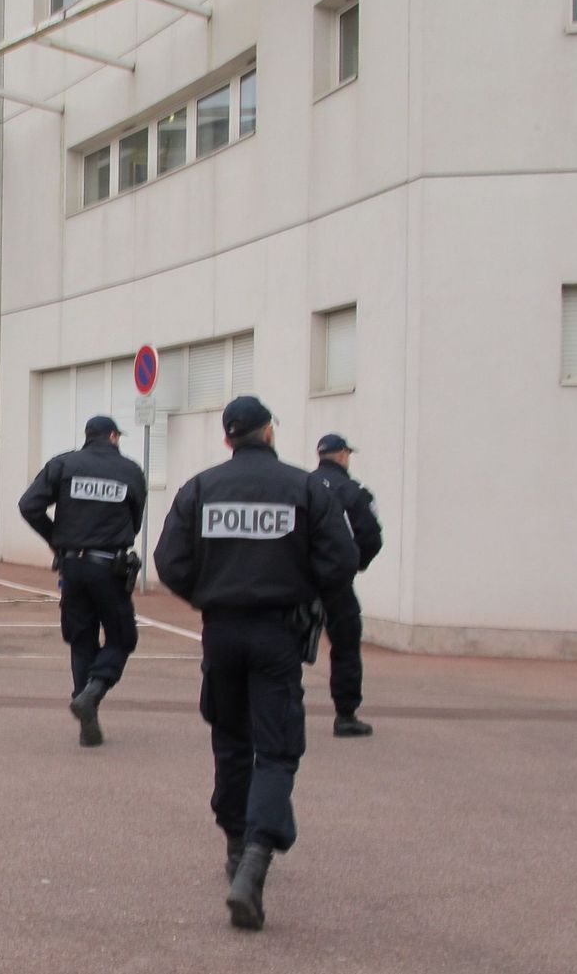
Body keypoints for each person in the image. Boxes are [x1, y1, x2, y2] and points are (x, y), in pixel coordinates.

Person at [154, 396, 359, 932]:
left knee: (229, 737)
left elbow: (168, 562)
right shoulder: (307, 487)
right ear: (269, 432)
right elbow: (342, 559)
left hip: (221, 632)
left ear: (227, 439)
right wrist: (303, 591)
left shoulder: (200, 488)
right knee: (276, 747)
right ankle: (255, 861)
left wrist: (209, 596)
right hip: (277, 633)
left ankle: (235, 843)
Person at [18, 415, 147, 748]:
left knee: (81, 640)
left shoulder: (64, 464)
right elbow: (134, 526)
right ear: (114, 437)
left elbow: (29, 505)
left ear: (88, 437)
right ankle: (94, 691)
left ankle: (86, 713)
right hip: (110, 568)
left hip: (72, 567)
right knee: (122, 637)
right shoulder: (130, 471)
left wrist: (57, 538)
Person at [310, 434, 383, 737]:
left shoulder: (302, 484)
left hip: (299, 579)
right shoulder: (353, 491)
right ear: (341, 455)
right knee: (346, 644)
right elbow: (370, 535)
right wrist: (357, 563)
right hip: (337, 581)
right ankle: (346, 715)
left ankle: (277, 709)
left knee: (284, 643)